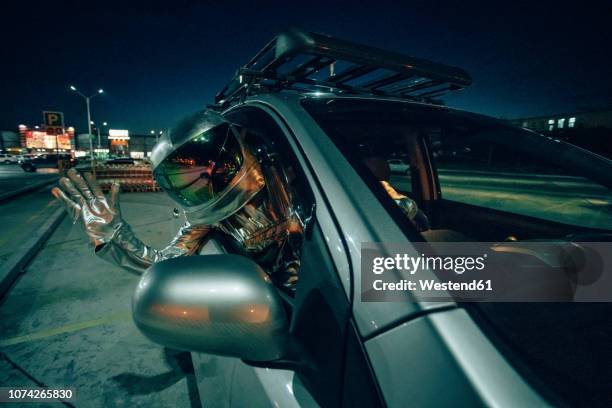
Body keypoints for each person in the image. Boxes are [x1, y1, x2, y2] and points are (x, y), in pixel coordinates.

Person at [51, 111, 309, 289]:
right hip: (284, 305)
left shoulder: (290, 168)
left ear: (239, 144)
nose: (208, 176)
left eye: (210, 165)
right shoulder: (207, 218)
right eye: (192, 175)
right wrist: (115, 236)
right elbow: (166, 265)